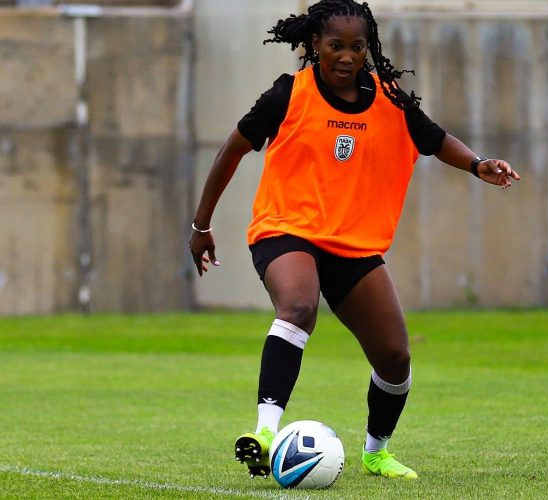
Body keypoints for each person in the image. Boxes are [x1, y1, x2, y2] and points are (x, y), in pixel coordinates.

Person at [189, 0, 520, 482]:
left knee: (395, 356)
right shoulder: (289, 94)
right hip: (286, 230)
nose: (346, 56)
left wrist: (478, 164)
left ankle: (376, 451)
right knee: (299, 308)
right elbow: (232, 149)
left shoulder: (390, 99)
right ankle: (264, 432)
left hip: (354, 246)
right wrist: (201, 225)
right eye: (335, 45)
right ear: (314, 45)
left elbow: (434, 138)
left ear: (369, 48)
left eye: (357, 47)